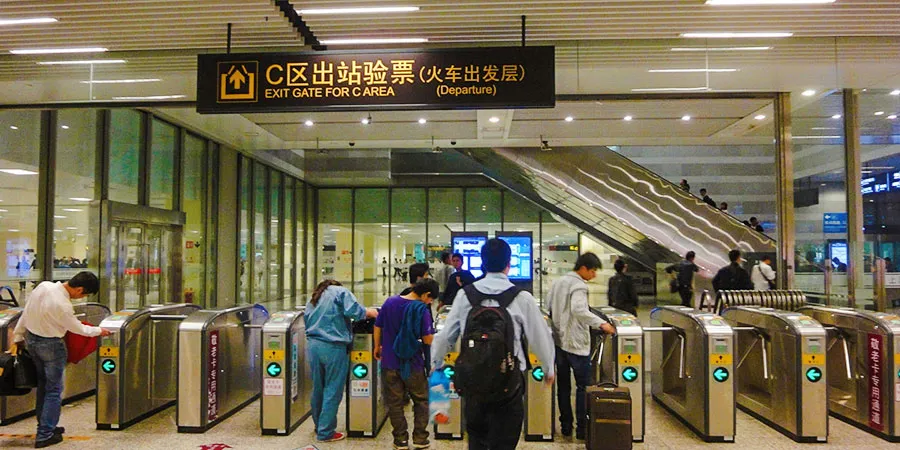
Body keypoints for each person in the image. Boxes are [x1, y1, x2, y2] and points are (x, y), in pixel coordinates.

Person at [431, 239, 556, 450]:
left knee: (477, 441)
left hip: (473, 383)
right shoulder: (522, 298)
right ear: (509, 264)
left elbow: (445, 336)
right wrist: (548, 368)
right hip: (509, 385)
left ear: (483, 262)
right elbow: (539, 336)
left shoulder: (465, 295)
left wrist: (436, 364)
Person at [7, 272, 111, 448]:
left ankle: (47, 426)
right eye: (83, 294)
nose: (81, 298)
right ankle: (45, 434)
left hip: (32, 341)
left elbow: (27, 312)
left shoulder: (43, 287)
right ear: (79, 289)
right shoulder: (62, 304)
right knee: (54, 390)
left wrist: (18, 335)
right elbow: (78, 329)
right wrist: (99, 331)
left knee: (43, 386)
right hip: (51, 346)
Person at [548, 253, 616, 439]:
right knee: (582, 386)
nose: (593, 275)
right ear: (583, 268)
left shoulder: (558, 282)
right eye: (593, 271)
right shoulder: (578, 285)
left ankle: (566, 426)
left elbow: (548, 306)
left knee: (563, 386)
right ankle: (582, 429)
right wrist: (602, 324)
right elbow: (579, 310)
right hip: (577, 344)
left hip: (559, 342)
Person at [304, 280, 378, 443]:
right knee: (333, 388)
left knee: (318, 387)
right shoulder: (340, 292)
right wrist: (370, 312)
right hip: (333, 347)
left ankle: (319, 425)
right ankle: (326, 432)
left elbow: (306, 319)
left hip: (313, 346)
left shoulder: (314, 298)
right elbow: (355, 311)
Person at [374, 278, 439, 450]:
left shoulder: (389, 302)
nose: (430, 302)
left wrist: (376, 346)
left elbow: (378, 326)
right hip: (413, 363)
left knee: (394, 402)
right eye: (431, 299)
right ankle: (420, 438)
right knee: (421, 400)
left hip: (389, 361)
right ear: (426, 294)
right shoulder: (421, 309)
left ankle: (400, 440)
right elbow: (427, 339)